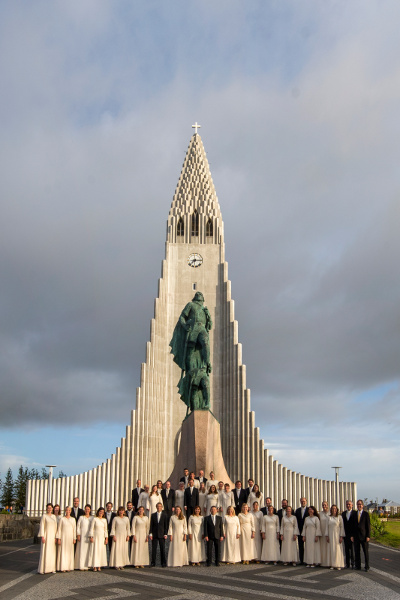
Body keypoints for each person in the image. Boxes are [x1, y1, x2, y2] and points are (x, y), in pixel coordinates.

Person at [38, 503, 57, 574]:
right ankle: (43, 569)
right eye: (48, 508)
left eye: (50, 508)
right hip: (46, 536)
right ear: (46, 509)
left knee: (52, 552)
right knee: (45, 552)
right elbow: (42, 526)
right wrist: (42, 536)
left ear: (52, 509)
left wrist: (55, 537)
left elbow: (55, 527)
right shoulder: (44, 516)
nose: (49, 509)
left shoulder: (54, 517)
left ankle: (51, 568)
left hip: (52, 536)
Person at [351, 499, 370, 572]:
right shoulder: (354, 514)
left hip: (364, 536)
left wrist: (368, 536)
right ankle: (358, 565)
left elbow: (368, 526)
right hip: (356, 536)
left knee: (365, 552)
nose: (359, 506)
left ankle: (367, 566)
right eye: (358, 504)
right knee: (357, 551)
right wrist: (352, 535)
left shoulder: (366, 514)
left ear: (362, 505)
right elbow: (352, 526)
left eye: (360, 504)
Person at [56, 506, 76, 572]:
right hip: (63, 537)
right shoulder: (62, 519)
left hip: (70, 538)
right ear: (65, 511)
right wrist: (59, 538)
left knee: (69, 552)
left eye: (69, 510)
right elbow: (59, 529)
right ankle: (63, 567)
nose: (68, 511)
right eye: (67, 510)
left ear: (70, 511)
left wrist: (74, 538)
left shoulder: (73, 519)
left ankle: (68, 566)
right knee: (63, 552)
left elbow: (74, 530)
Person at [326, 504, 345, 570]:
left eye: (335, 509)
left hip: (337, 535)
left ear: (337, 510)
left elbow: (342, 527)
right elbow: (326, 527)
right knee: (331, 549)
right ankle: (332, 564)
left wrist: (341, 536)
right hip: (330, 535)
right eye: (333, 509)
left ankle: (338, 564)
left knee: (337, 549)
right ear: (331, 510)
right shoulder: (329, 517)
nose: (334, 510)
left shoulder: (339, 517)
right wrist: (327, 536)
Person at [75, 504, 93, 571]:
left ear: (90, 510)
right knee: (82, 550)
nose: (87, 510)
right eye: (86, 509)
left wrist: (92, 536)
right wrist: (78, 535)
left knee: (89, 550)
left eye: (88, 509)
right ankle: (81, 565)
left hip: (89, 536)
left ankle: (88, 565)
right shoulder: (81, 517)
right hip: (82, 536)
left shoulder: (92, 518)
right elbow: (78, 527)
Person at [89, 507, 108, 571]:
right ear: (98, 512)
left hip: (102, 537)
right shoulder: (95, 519)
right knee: (95, 551)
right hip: (96, 537)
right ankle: (94, 565)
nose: (101, 513)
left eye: (102, 512)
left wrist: (106, 538)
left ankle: (99, 565)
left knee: (100, 551)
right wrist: (91, 537)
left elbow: (105, 530)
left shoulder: (104, 520)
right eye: (100, 512)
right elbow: (91, 528)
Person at [149, 502, 168, 567]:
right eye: (157, 506)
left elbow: (166, 525)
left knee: (162, 549)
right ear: (156, 507)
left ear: (162, 507)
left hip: (162, 534)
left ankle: (163, 562)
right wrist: (150, 533)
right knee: (153, 549)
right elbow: (151, 525)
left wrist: (165, 534)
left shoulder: (165, 515)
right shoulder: (153, 515)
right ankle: (153, 562)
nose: (159, 507)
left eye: (160, 506)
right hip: (154, 534)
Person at [342, 500, 356, 568]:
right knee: (346, 549)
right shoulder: (343, 514)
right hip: (345, 534)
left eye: (349, 504)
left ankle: (353, 563)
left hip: (352, 535)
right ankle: (347, 563)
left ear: (352, 505)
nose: (348, 505)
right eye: (347, 504)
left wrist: (353, 535)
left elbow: (355, 525)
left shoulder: (354, 513)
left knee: (352, 549)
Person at [295, 497, 308, 564]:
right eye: (302, 501)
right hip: (300, 530)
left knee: (308, 546)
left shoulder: (309, 510)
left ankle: (308, 560)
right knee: (300, 546)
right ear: (300, 502)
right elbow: (295, 522)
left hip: (308, 531)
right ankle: (302, 560)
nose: (303, 502)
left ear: (306, 501)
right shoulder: (297, 510)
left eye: (304, 501)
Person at [319, 500, 330, 567]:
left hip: (329, 532)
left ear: (327, 505)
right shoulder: (320, 514)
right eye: (323, 505)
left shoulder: (330, 513)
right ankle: (322, 562)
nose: (324, 506)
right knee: (322, 547)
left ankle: (329, 561)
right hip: (322, 532)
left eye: (325, 505)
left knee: (328, 547)